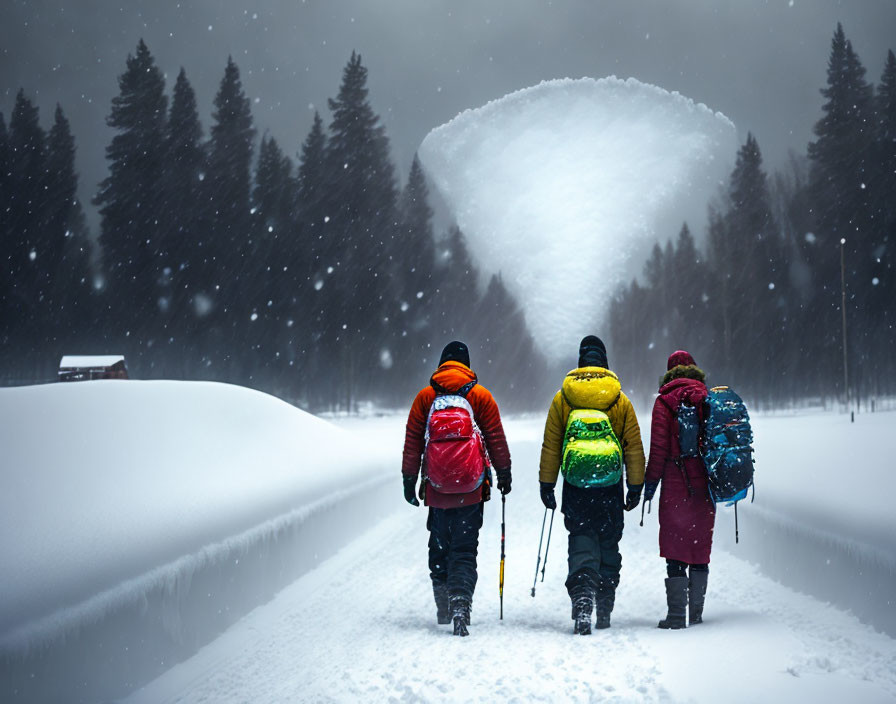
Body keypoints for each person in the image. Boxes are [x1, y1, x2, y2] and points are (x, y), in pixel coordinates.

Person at [401, 340, 511, 636]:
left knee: (439, 546)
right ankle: (461, 604)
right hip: (471, 488)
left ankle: (443, 606)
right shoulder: (480, 396)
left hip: (436, 489)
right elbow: (496, 438)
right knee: (464, 550)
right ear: (467, 365)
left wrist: (409, 481)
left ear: (441, 364)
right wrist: (504, 473)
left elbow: (413, 442)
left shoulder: (426, 397)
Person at [539, 335, 645, 634]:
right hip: (610, 486)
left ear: (580, 362)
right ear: (605, 362)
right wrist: (635, 485)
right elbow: (633, 446)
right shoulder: (620, 399)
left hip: (576, 485)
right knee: (609, 541)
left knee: (581, 537)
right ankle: (605, 605)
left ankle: (583, 597)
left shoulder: (564, 398)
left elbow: (552, 445)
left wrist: (547, 484)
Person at [643, 350, 715, 629]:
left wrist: (649, 486)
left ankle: (676, 615)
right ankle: (695, 613)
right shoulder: (707, 398)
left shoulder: (664, 402)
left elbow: (658, 449)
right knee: (699, 545)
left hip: (674, 479)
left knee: (675, 546)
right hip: (704, 480)